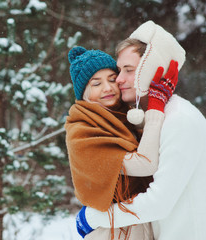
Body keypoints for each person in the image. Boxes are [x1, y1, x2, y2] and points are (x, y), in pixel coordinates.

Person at [77, 21, 206, 240]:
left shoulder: (181, 120)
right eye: (119, 70)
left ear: (152, 68)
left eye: (129, 70)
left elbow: (159, 203)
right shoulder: (153, 117)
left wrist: (93, 218)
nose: (119, 79)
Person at [64, 46, 177, 239]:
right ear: (84, 92)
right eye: (96, 83)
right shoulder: (82, 132)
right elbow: (145, 164)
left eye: (111, 79)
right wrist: (156, 107)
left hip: (137, 223)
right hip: (111, 232)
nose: (107, 88)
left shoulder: (124, 117)